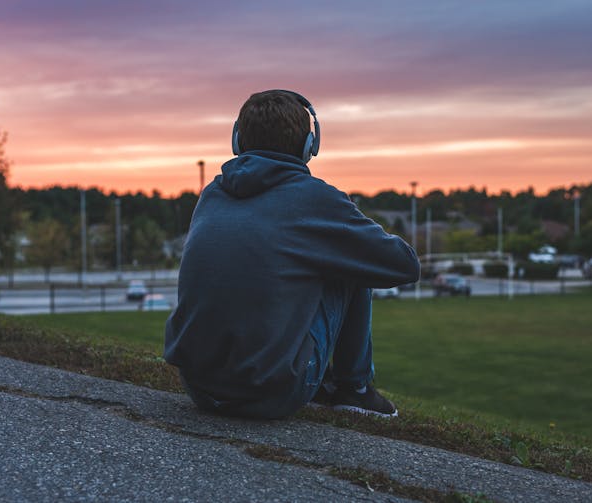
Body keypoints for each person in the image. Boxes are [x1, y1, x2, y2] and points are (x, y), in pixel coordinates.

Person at [164, 90, 419, 419]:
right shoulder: (316, 199)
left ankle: (309, 370)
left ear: (237, 141)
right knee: (353, 263)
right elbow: (404, 264)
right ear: (309, 146)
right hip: (272, 393)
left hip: (199, 387)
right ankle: (354, 389)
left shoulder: (213, 193)